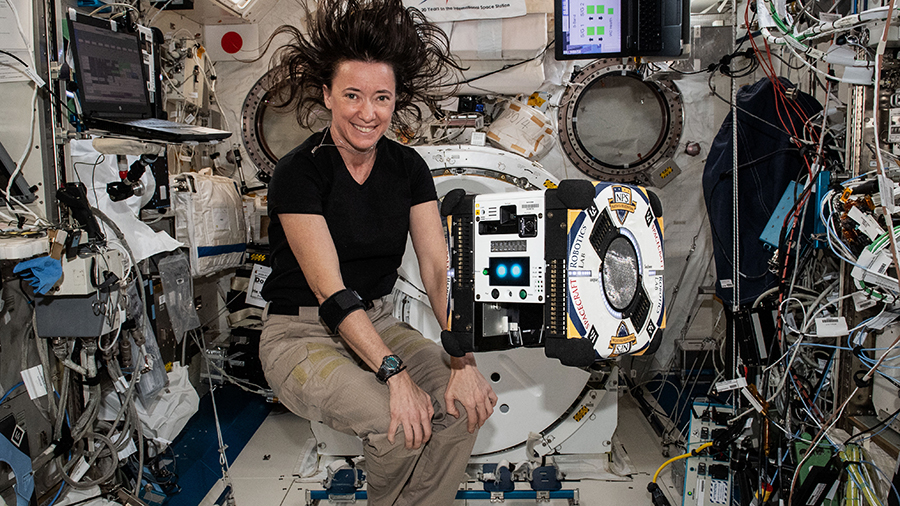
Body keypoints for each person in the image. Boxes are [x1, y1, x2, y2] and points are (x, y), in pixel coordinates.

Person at [257, 0, 498, 504]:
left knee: (461, 410)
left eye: (381, 98)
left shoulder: (408, 167)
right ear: (326, 95)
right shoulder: (299, 172)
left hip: (377, 321)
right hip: (301, 332)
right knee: (398, 423)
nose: (367, 113)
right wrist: (394, 374)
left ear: (395, 101)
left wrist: (464, 359)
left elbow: (436, 269)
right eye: (352, 95)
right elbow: (330, 289)